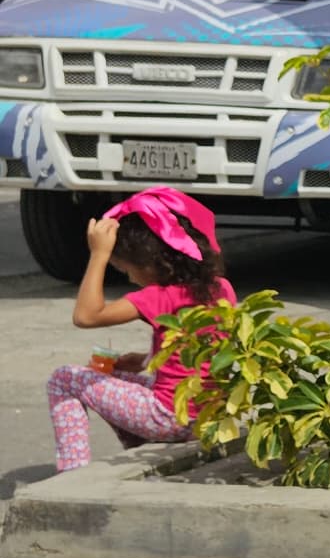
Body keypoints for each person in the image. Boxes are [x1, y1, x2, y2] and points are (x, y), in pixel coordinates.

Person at [49, 187, 235, 472]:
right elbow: (204, 346)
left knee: (63, 379)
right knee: (117, 377)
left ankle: (72, 472)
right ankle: (140, 453)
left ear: (155, 264)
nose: (132, 280)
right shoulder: (221, 288)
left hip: (169, 417)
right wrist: (148, 360)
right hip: (207, 415)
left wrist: (98, 255)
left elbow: (86, 316)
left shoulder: (159, 296)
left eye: (128, 271)